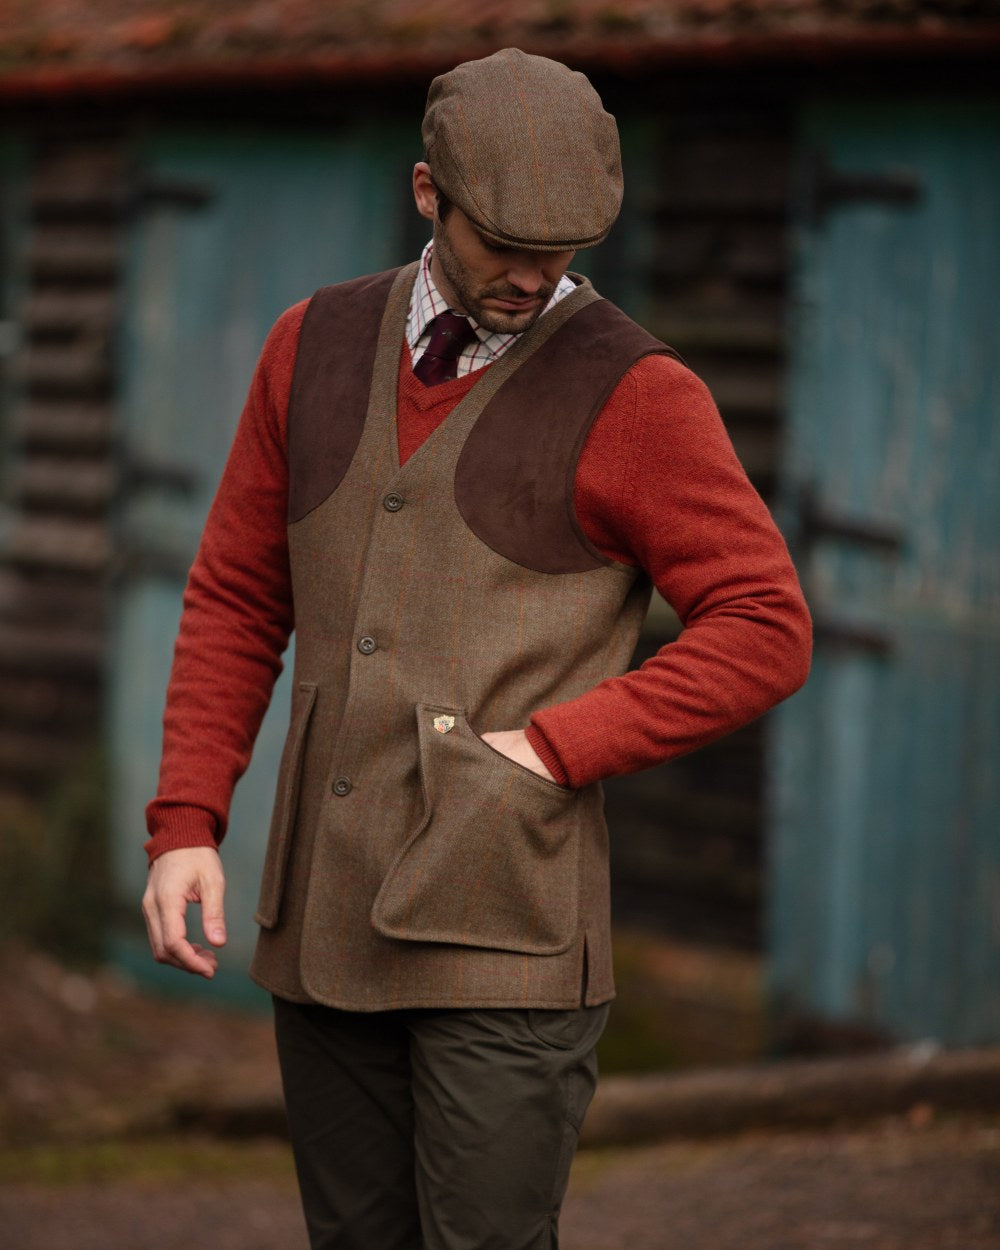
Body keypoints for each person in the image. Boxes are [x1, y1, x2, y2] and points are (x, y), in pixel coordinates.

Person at [141, 47, 811, 1250]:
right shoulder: (311, 343)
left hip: (508, 931)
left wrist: (556, 748)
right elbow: (241, 594)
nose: (532, 273)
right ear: (424, 193)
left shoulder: (640, 393)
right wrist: (188, 819)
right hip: (323, 916)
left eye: (561, 247)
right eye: (503, 239)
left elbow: (764, 626)